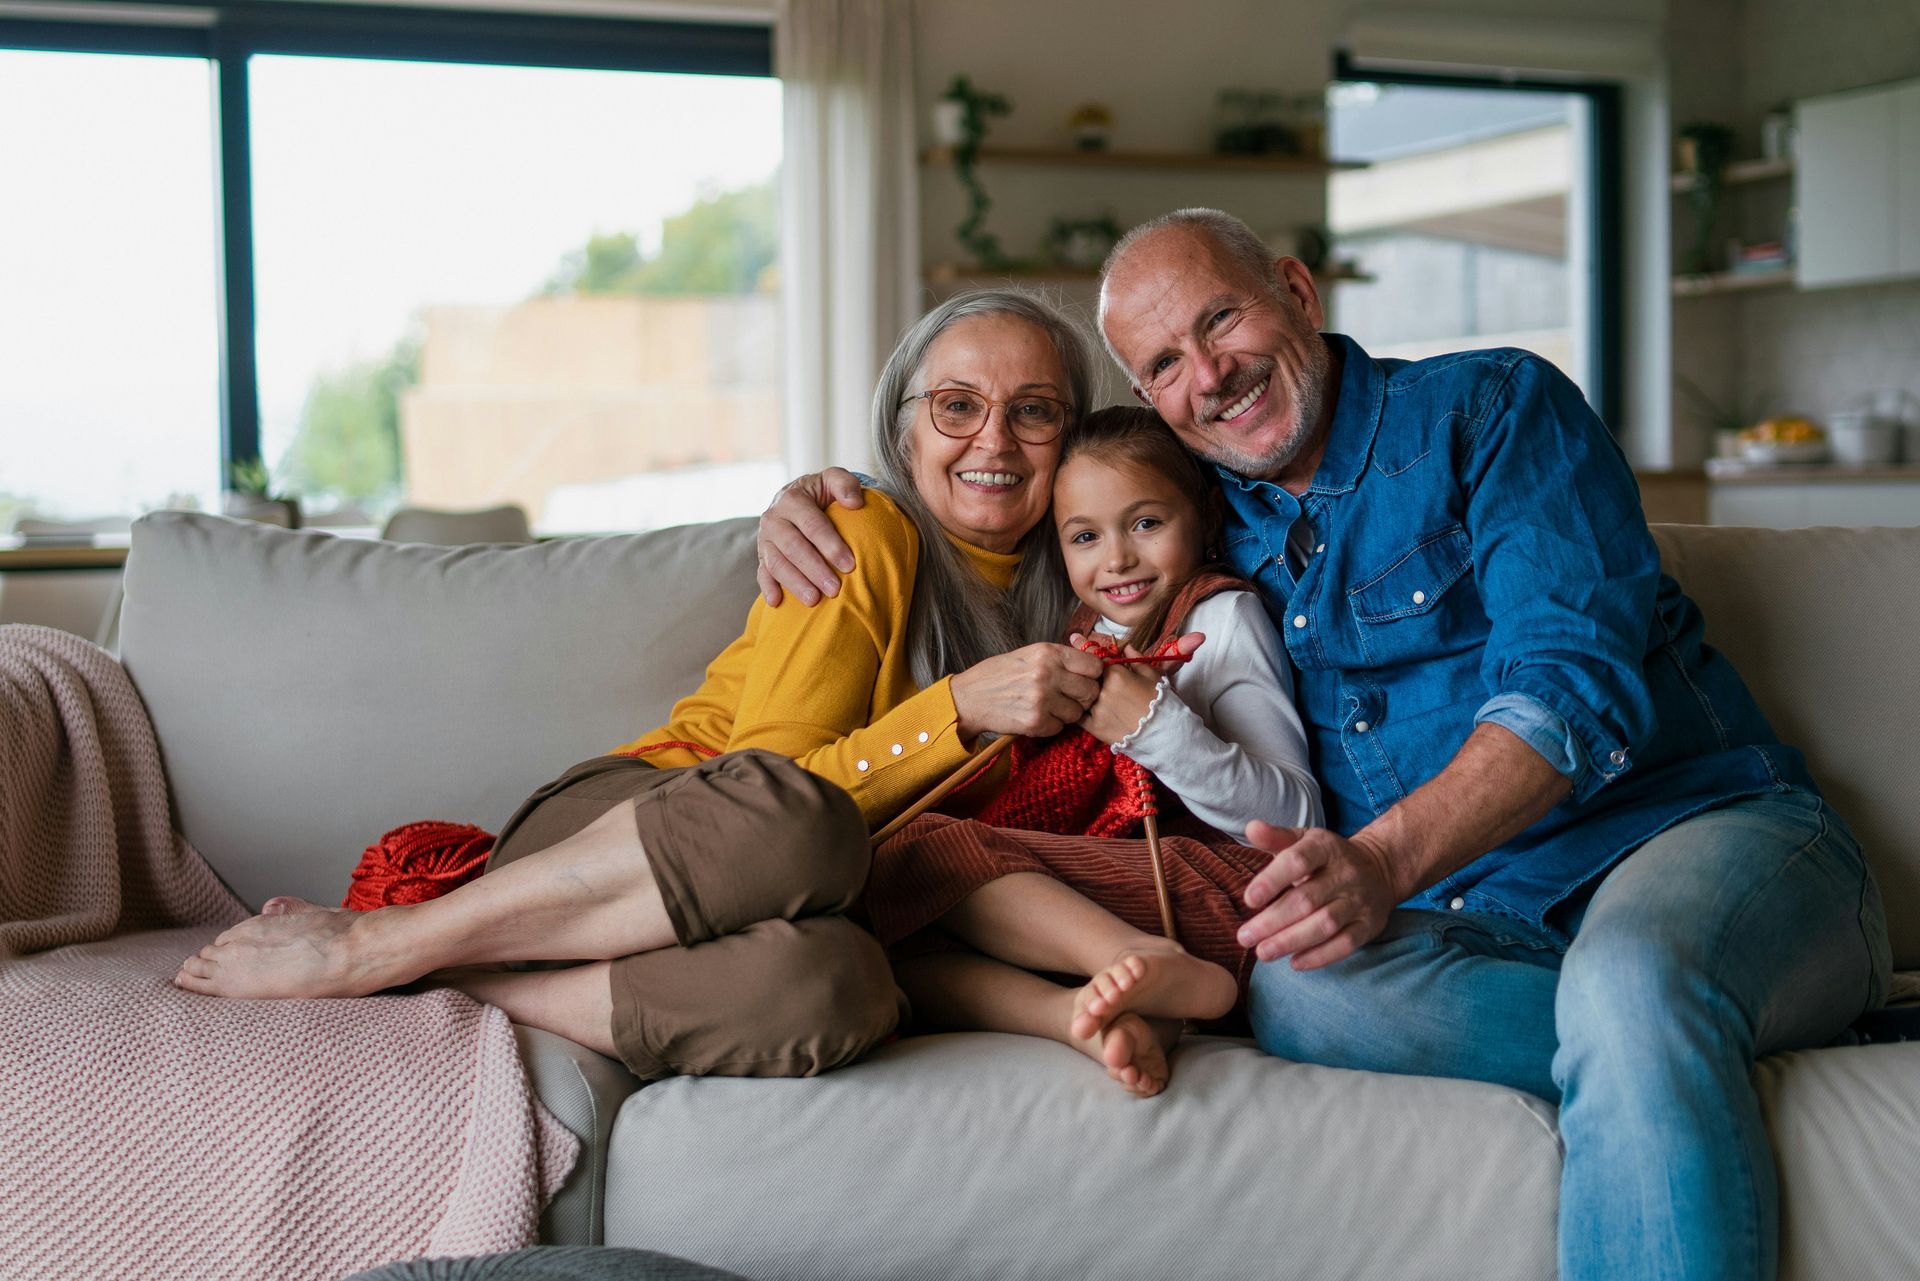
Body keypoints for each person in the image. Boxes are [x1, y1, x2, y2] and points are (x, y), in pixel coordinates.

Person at [755, 209, 1891, 1279]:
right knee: (1301, 995)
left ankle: (1677, 1006)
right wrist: (840, 492)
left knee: (1635, 978)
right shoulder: (1197, 508)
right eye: (1161, 366)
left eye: (1222, 321)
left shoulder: (1491, 409)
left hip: (1690, 834)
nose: (1207, 377)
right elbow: (1026, 489)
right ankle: (1672, 1032)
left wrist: (1386, 863)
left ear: (1294, 291)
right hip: (1482, 927)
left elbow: (1573, 686)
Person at [174, 288, 1120, 1086]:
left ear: (1071, 438)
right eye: (957, 405)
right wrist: (957, 710)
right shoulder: (863, 528)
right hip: (638, 828)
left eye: (1034, 410)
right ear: (903, 428)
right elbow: (769, 792)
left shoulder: (1089, 590)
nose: (994, 437)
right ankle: (381, 945)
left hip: (779, 918)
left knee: (842, 989)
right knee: (807, 824)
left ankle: (456, 982)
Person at [865, 406, 1322, 1097]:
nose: (1117, 559)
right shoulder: (1089, 628)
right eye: (1085, 536)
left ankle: (1133, 956)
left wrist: (1155, 724)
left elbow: (1293, 821)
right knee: (888, 949)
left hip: (1230, 897)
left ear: (1200, 513)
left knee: (923, 849)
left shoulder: (1223, 617)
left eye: (1145, 523)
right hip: (1141, 896)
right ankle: (1089, 1013)